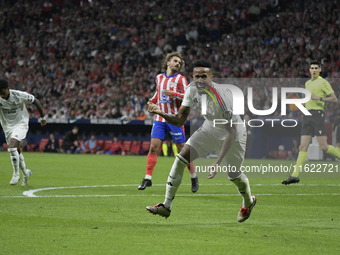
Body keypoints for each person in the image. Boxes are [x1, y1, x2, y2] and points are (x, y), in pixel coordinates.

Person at [145, 59, 257, 222]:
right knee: (180, 159)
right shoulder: (191, 90)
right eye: (196, 76)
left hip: (234, 133)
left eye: (204, 76)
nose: (200, 80)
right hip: (210, 128)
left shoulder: (222, 97)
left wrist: (218, 162)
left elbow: (231, 132)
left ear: (211, 77)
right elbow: (180, 120)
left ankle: (248, 202)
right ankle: (166, 206)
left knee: (233, 174)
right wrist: (160, 112)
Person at [138, 52, 199, 193]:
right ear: (168, 63)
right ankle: (147, 178)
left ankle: (193, 177)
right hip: (159, 118)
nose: (178, 64)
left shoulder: (181, 79)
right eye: (175, 61)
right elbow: (158, 94)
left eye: (180, 62)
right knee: (153, 147)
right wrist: (151, 101)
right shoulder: (159, 78)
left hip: (174, 118)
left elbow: (188, 96)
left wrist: (173, 94)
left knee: (182, 150)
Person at [282, 60, 340, 184]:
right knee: (302, 146)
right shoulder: (307, 83)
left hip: (317, 115)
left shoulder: (324, 82)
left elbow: (334, 99)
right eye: (311, 68)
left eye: (315, 68)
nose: (313, 70)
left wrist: (319, 98)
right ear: (309, 70)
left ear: (320, 70)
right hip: (307, 116)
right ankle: (295, 175)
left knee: (323, 147)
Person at [0, 79, 47, 186]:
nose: (1, 96)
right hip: (7, 127)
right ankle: (26, 173)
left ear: (8, 89)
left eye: (3, 93)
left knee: (11, 147)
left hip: (21, 124)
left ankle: (16, 174)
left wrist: (42, 117)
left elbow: (36, 101)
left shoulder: (19, 95)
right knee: (16, 150)